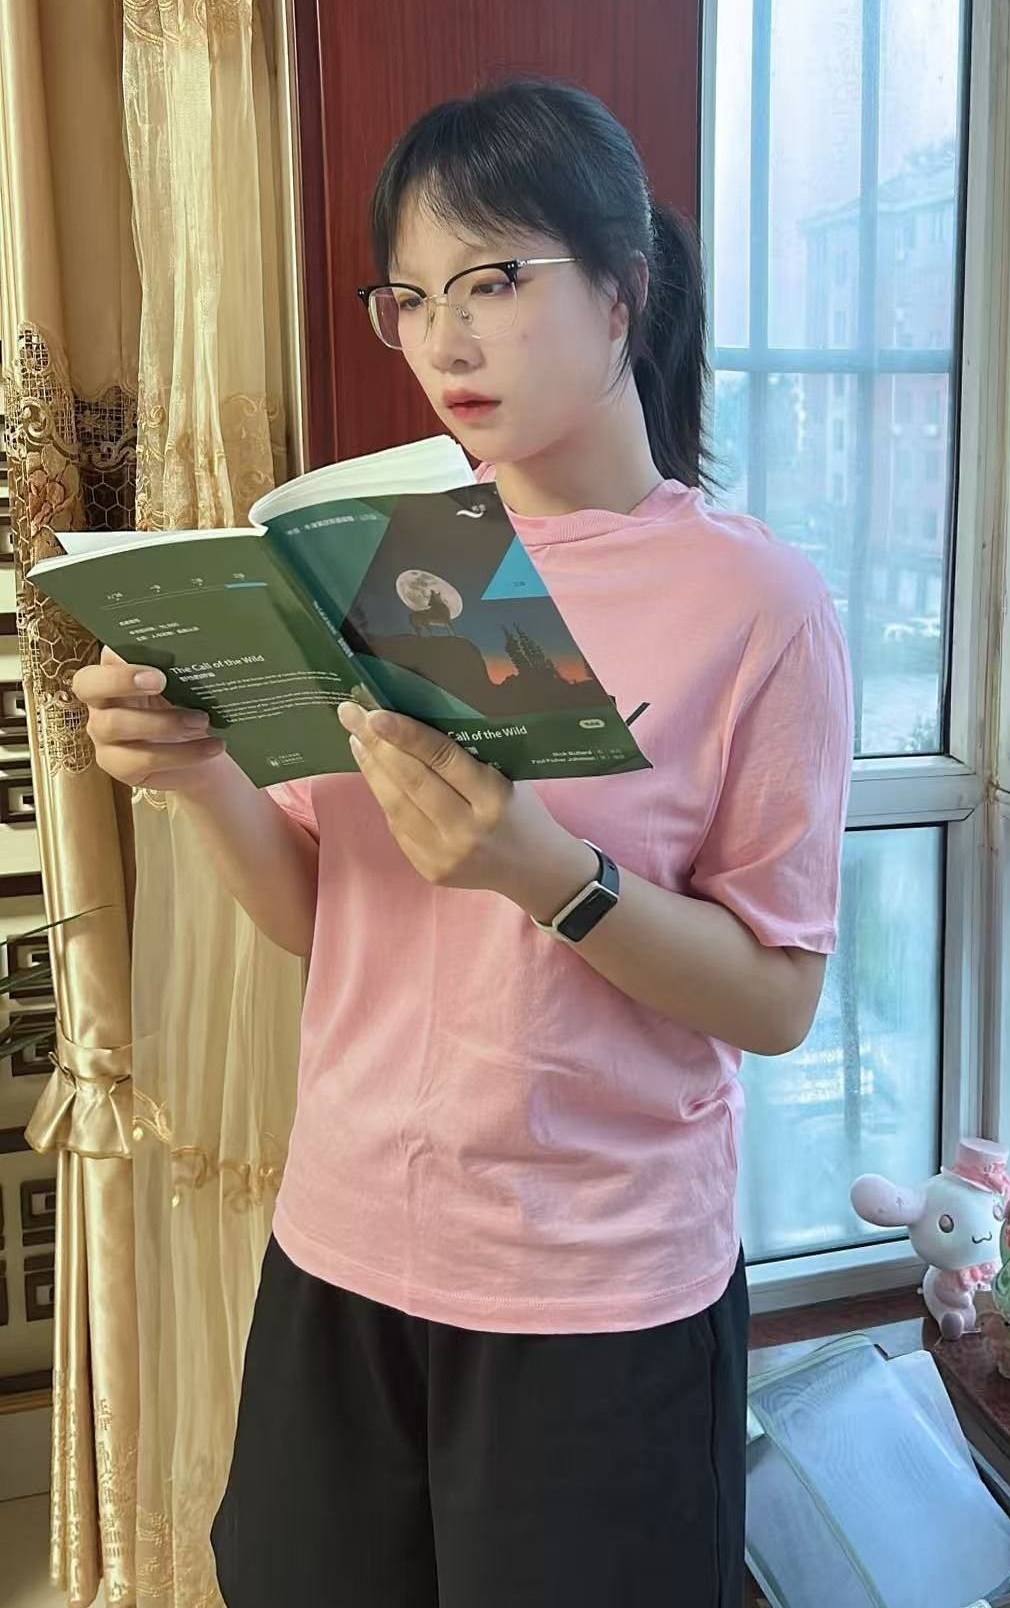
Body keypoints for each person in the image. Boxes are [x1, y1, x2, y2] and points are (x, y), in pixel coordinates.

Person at [72, 78, 853, 1608]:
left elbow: (776, 999)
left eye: (493, 281)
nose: (445, 339)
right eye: (412, 298)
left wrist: (551, 878)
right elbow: (327, 919)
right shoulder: (390, 559)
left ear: (623, 291)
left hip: (599, 1288)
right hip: (346, 1242)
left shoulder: (756, 605)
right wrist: (205, 778)